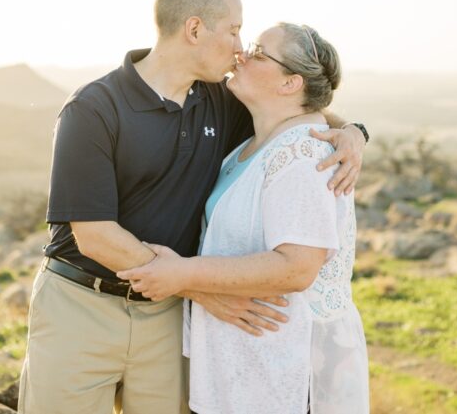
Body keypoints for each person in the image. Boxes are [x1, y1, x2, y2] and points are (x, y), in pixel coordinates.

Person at [17, 0, 368, 414]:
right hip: (82, 306)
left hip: (165, 317)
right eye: (235, 31)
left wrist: (353, 131)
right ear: (195, 29)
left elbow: (296, 109)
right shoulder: (93, 108)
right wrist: (196, 286)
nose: (240, 48)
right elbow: (94, 234)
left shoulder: (222, 101)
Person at [118, 23, 369, 414]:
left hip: (281, 376)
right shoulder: (249, 149)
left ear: (290, 84)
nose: (241, 55)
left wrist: (183, 275)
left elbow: (297, 269)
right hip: (241, 369)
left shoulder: (304, 156)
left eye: (257, 51)